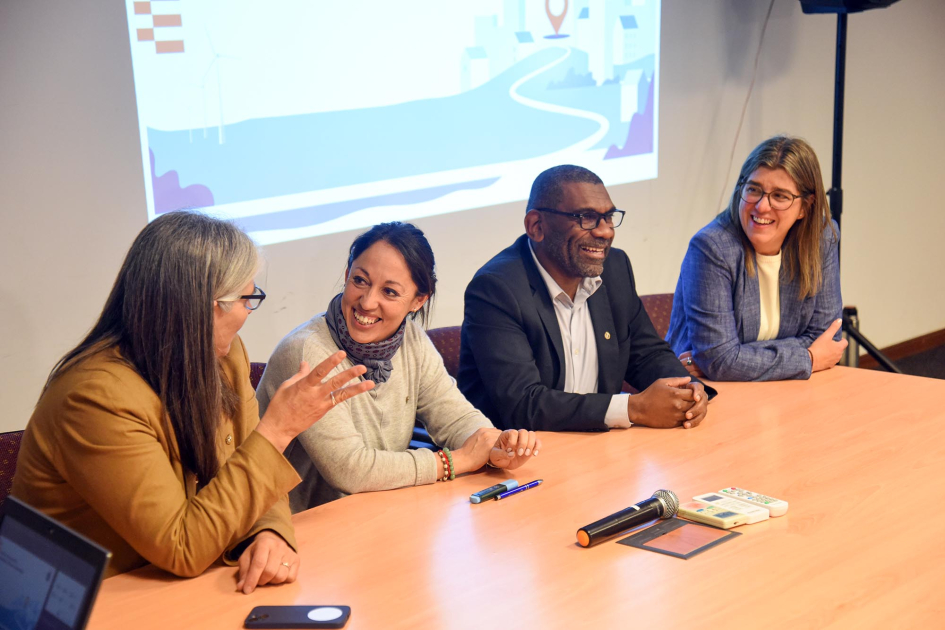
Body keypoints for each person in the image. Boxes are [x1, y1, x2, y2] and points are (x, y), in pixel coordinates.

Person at [12, 212, 374, 593]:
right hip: (89, 601)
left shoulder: (223, 355)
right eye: (243, 299)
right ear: (193, 306)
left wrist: (268, 534)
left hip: (176, 587)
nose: (245, 313)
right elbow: (182, 547)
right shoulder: (94, 400)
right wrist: (278, 430)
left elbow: (249, 473)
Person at [257, 222, 541, 512]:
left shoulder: (411, 339)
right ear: (346, 276)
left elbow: (454, 416)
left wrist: (495, 447)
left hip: (379, 513)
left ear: (418, 300)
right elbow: (349, 469)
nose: (367, 302)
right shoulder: (307, 353)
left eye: (390, 292)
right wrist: (456, 461)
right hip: (298, 529)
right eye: (360, 281)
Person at [458, 165, 709, 433]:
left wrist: (688, 390)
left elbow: (646, 353)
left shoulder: (615, 267)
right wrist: (632, 408)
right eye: (587, 218)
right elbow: (523, 404)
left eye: (609, 217)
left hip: (598, 446)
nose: (605, 232)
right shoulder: (496, 289)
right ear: (536, 226)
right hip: (516, 456)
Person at [666, 135, 846, 381]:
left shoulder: (821, 239)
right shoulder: (712, 248)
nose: (762, 206)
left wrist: (736, 357)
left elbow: (828, 338)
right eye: (754, 190)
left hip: (787, 387)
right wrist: (809, 358)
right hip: (706, 391)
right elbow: (720, 361)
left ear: (805, 206)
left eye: (780, 196)